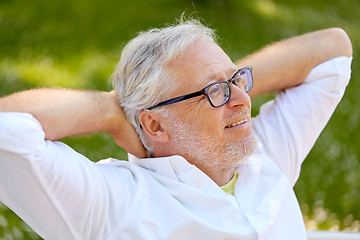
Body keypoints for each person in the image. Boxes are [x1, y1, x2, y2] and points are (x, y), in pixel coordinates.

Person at [0, 18, 352, 239]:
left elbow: (333, 51)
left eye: (239, 81)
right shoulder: (114, 202)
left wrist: (222, 82)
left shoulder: (262, 153)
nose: (244, 100)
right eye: (213, 92)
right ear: (154, 123)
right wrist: (110, 111)